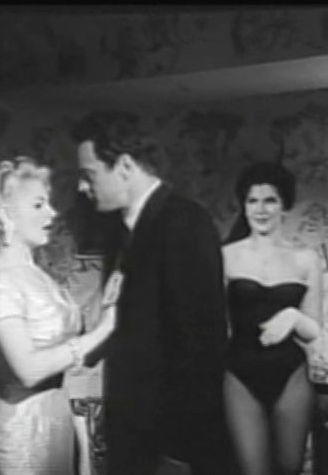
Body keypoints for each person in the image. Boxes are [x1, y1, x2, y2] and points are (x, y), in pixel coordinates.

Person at [71, 111, 229, 475]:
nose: (81, 187)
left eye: (89, 174)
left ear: (125, 166)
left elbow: (203, 343)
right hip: (132, 430)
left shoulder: (185, 222)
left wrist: (180, 449)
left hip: (169, 438)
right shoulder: (119, 232)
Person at [0, 157, 117, 475]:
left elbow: (74, 356)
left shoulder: (38, 276)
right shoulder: (0, 282)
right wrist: (105, 329)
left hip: (56, 420)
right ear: (6, 212)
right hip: (18, 432)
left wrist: (113, 312)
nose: (51, 213)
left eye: (48, 203)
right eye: (38, 205)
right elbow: (29, 371)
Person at [222, 161, 322, 475]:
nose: (261, 209)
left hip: (290, 374)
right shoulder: (226, 256)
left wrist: (292, 317)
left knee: (290, 469)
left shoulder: (306, 259)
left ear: (284, 205)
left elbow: (314, 330)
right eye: (253, 200)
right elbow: (212, 324)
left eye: (270, 200)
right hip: (239, 374)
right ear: (244, 205)